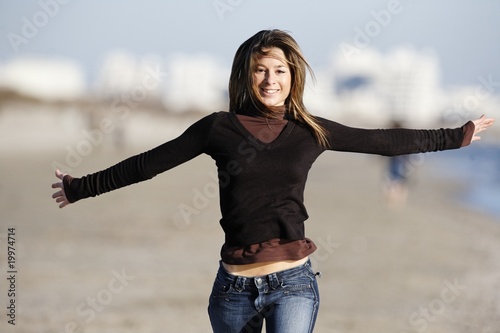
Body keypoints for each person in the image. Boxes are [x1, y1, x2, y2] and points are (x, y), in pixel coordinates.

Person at [51, 29, 495, 333]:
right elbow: (147, 164)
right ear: (247, 73)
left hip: (293, 285)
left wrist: (457, 135)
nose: (271, 79)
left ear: (292, 76)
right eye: (262, 69)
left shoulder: (311, 131)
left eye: (280, 70)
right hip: (233, 289)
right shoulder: (217, 128)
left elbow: (383, 141)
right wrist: (80, 187)